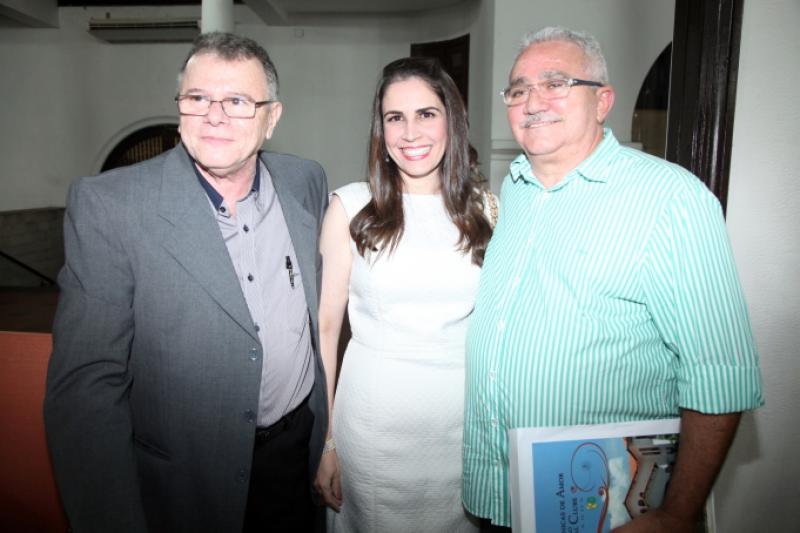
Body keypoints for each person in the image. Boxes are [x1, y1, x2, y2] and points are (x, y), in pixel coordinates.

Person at [463, 26, 764, 533]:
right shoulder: (514, 191)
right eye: (518, 90)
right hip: (499, 494)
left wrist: (677, 514)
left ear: (602, 101)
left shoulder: (670, 198)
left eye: (555, 83)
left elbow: (720, 375)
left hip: (602, 510)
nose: (533, 101)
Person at [44, 32, 329, 533]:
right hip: (186, 485)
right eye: (198, 98)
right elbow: (87, 391)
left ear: (272, 118)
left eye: (237, 101)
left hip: (294, 463)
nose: (214, 116)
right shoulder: (111, 206)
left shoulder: (304, 182)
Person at [313, 57, 493, 532]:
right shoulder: (351, 207)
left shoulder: (487, 211)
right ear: (382, 129)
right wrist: (325, 441)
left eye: (426, 114)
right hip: (374, 431)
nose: (410, 132)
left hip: (463, 431)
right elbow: (326, 330)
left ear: (452, 121)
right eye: (395, 117)